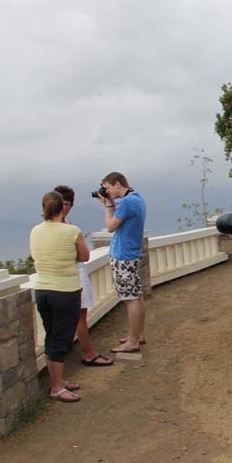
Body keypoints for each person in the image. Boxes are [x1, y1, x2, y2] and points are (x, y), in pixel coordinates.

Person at [30, 191, 89, 402]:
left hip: (43, 290)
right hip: (65, 291)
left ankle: (58, 380)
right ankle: (56, 387)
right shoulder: (72, 231)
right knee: (61, 339)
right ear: (62, 207)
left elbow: (35, 256)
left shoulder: (35, 231)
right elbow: (84, 256)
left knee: (51, 335)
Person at [54, 185, 114, 367]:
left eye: (68, 204)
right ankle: (88, 353)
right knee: (78, 317)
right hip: (71, 275)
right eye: (63, 204)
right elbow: (83, 255)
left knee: (78, 316)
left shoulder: (63, 224)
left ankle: (85, 352)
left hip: (67, 275)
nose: (66, 207)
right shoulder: (64, 227)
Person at [97, 172, 147, 354]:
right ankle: (138, 335)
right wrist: (110, 202)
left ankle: (133, 341)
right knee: (137, 295)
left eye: (108, 187)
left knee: (130, 299)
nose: (107, 191)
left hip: (123, 255)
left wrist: (108, 206)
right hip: (132, 253)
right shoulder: (137, 198)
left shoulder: (126, 202)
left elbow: (110, 226)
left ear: (117, 184)